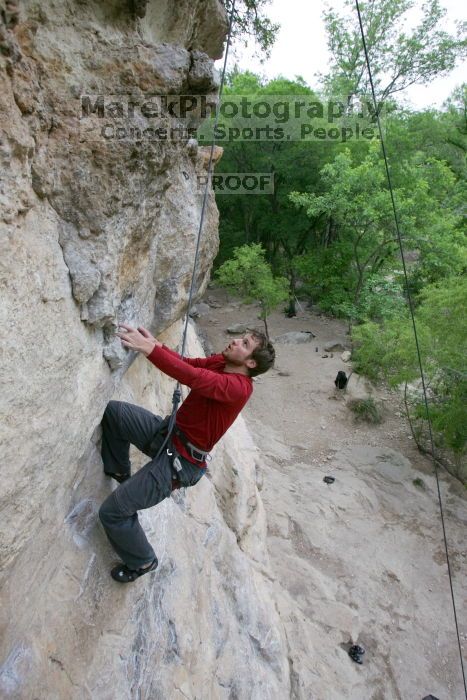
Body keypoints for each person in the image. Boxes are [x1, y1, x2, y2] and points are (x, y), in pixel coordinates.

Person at [98, 323, 275, 584]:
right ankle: (119, 471)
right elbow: (188, 363)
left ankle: (142, 560)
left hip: (180, 463)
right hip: (167, 435)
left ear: (250, 364)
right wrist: (157, 346)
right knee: (115, 413)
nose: (236, 341)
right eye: (241, 338)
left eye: (245, 344)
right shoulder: (221, 362)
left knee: (112, 512)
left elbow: (193, 377)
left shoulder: (238, 387)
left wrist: (149, 350)